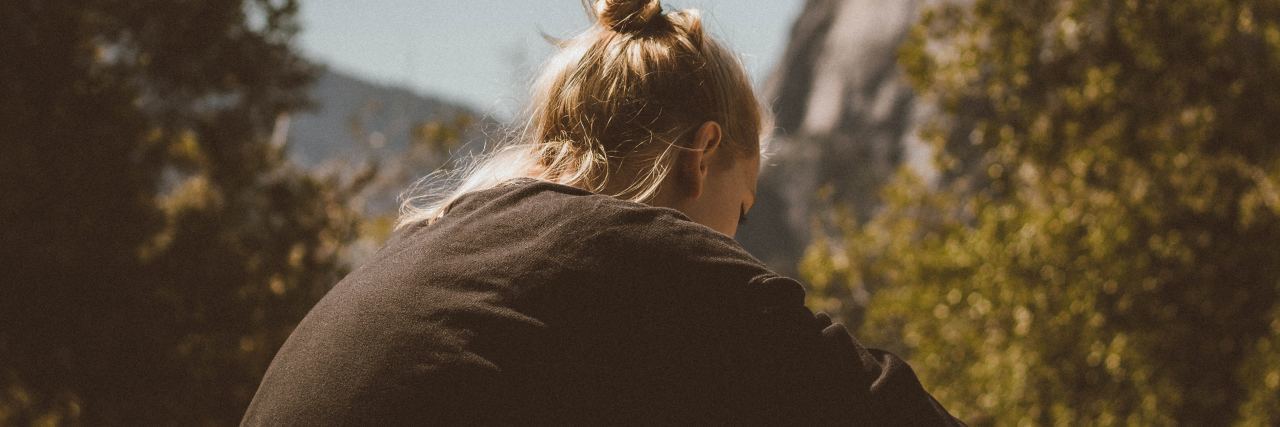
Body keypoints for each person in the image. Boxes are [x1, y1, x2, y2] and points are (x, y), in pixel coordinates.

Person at [242, 0, 964, 425]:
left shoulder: (436, 248)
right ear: (701, 154)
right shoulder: (654, 257)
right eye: (739, 214)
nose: (733, 244)